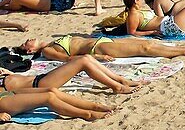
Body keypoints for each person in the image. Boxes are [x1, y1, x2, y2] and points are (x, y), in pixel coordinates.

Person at [3, 54, 143, 94]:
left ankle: (120, 80)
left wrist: (7, 72)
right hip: (39, 85)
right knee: (83, 62)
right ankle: (116, 86)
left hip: (39, 78)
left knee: (87, 58)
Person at [18, 35, 185, 61]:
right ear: (30, 51)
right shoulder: (47, 51)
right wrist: (98, 58)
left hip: (101, 40)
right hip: (97, 48)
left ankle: (184, 47)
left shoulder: (52, 41)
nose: (29, 39)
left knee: (147, 43)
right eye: (26, 43)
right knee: (144, 48)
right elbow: (68, 59)